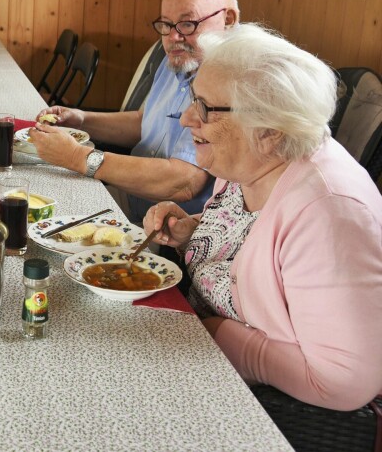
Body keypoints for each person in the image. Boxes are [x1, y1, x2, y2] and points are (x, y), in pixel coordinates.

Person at [143, 24, 382, 411]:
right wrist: (192, 231)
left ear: (268, 129)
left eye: (204, 107)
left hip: (280, 411)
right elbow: (246, 238)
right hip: (196, 353)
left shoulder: (328, 213)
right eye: (193, 98)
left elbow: (343, 382)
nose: (187, 118)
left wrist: (217, 336)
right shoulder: (252, 160)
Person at [30, 0, 239, 221]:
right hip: (128, 203)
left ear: (228, 19)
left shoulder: (230, 82)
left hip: (170, 236)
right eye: (166, 24)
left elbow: (184, 182)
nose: (173, 37)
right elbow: (146, 122)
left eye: (187, 23)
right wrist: (82, 120)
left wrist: (77, 157)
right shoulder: (177, 57)